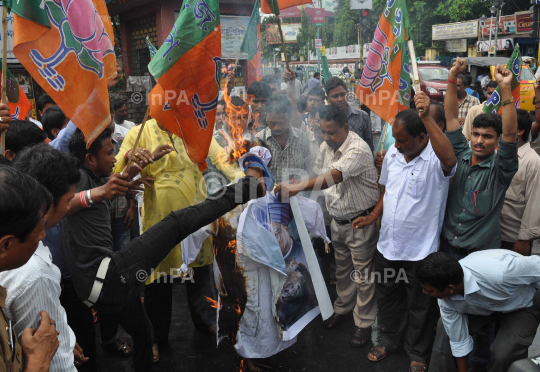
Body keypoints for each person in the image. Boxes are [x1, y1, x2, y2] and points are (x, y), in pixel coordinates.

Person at [61, 127, 263, 371]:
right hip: (108, 275)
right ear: (89, 159)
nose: (115, 158)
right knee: (178, 223)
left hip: (103, 287)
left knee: (144, 335)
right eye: (108, 153)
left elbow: (120, 177)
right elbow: (60, 204)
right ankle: (247, 188)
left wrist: (149, 160)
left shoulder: (94, 176)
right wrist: (99, 194)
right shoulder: (79, 178)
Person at [113, 117, 244, 363]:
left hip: (197, 222)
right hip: (158, 223)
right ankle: (155, 337)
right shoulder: (139, 133)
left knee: (200, 277)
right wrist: (135, 156)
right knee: (157, 285)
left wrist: (243, 178)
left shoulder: (193, 129)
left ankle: (206, 321)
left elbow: (220, 158)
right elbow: (117, 174)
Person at [352, 93, 457, 371]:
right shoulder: (394, 157)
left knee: (420, 305)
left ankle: (417, 352)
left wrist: (425, 117)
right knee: (388, 298)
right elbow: (389, 191)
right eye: (395, 141)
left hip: (420, 251)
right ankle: (389, 340)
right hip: (387, 247)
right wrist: (374, 214)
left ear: (422, 138)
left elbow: (450, 159)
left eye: (402, 141)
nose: (396, 146)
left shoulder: (436, 160)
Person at [275, 104, 380, 348]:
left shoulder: (357, 148)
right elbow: (316, 170)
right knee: (342, 268)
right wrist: (295, 181)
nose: (326, 138)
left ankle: (363, 323)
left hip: (361, 221)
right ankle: (342, 308)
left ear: (346, 127)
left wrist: (297, 188)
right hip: (337, 221)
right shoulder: (326, 145)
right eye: (322, 132)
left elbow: (331, 177)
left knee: (363, 275)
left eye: (331, 132)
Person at [0, 145, 85, 372]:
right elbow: (52, 360)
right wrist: (50, 357)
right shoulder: (35, 272)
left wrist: (64, 337)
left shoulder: (16, 247)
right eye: (68, 200)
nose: (43, 235)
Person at [442, 58, 518, 259]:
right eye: (476, 134)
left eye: (487, 136)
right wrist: (452, 77)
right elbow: (450, 117)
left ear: (497, 141)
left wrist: (505, 88)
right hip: (447, 248)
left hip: (480, 256)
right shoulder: (461, 155)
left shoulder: (500, 169)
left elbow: (510, 135)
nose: (479, 141)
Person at [417, 251, 540, 372]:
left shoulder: (502, 271)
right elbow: (458, 340)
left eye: (429, 291)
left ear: (450, 288)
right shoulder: (445, 300)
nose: (424, 293)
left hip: (522, 304)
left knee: (504, 355)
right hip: (482, 307)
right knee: (444, 330)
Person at [0, 166, 61, 372]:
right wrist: (39, 360)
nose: (43, 236)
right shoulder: (34, 275)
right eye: (39, 230)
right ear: (5, 245)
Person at [499, 109, 540, 255]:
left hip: (513, 238)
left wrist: (524, 239)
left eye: (506, 124)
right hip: (492, 234)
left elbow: (534, 204)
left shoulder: (532, 161)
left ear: (520, 131)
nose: (500, 128)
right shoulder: (496, 153)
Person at [256, 95, 313, 184]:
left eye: (281, 123)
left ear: (289, 117)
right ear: (266, 116)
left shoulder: (302, 138)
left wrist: (294, 182)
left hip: (297, 195)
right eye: (272, 123)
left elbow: (310, 171)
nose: (276, 128)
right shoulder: (258, 141)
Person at [325, 77, 374, 151]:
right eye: (335, 96)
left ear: (347, 94)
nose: (340, 99)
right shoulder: (323, 119)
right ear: (327, 99)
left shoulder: (362, 116)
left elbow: (369, 147)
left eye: (342, 94)